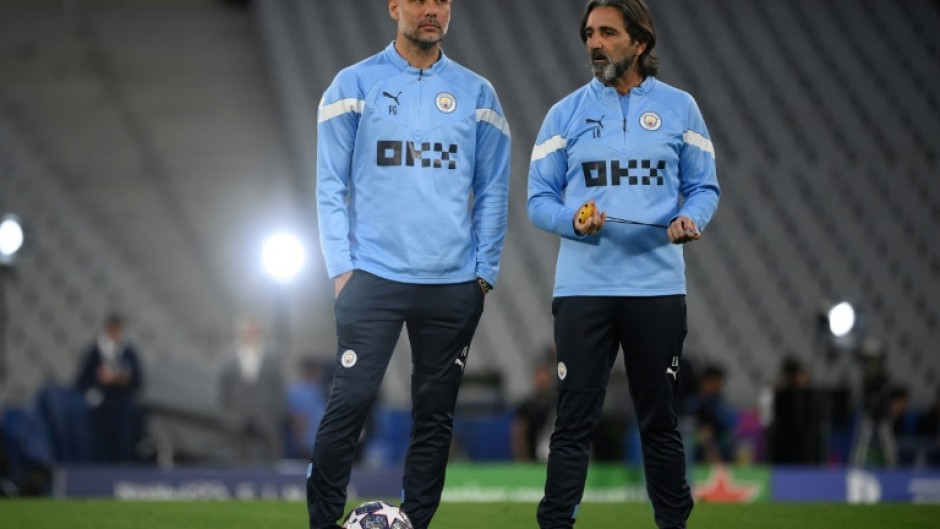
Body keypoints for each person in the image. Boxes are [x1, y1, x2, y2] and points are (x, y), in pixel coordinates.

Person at [309, 0, 511, 526]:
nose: (432, 10)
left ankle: (416, 523)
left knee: (435, 416)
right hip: (372, 277)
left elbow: (492, 189)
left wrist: (483, 274)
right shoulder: (353, 85)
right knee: (348, 405)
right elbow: (329, 185)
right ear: (393, 6)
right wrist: (341, 269)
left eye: (442, 1)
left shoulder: (479, 94)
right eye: (420, 0)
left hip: (452, 285)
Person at [526, 1, 719, 527]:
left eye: (607, 32)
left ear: (640, 42)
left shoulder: (681, 108)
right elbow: (538, 199)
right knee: (572, 421)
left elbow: (704, 186)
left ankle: (673, 524)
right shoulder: (563, 114)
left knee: (660, 421)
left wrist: (690, 217)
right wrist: (574, 221)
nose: (594, 43)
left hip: (656, 287)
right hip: (584, 288)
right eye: (589, 33)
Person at [75, 314, 144, 463]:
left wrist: (121, 379)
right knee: (99, 452)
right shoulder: (96, 352)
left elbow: (138, 380)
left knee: (123, 452)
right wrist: (99, 378)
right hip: (100, 413)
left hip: (123, 411)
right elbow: (81, 382)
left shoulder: (128, 352)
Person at [217, 315, 286, 464]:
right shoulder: (228, 359)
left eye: (253, 331)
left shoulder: (272, 359)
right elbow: (222, 389)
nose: (249, 335)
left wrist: (277, 414)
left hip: (266, 418)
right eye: (246, 331)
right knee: (236, 457)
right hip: (236, 417)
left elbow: (278, 389)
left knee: (268, 458)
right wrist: (226, 413)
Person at [683, 365, 735, 463]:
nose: (719, 385)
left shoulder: (719, 402)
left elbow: (726, 424)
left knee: (727, 440)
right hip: (696, 439)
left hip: (716, 440)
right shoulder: (693, 401)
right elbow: (687, 423)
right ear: (707, 381)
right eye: (716, 381)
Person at [512, 359, 556, 462]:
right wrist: (522, 458)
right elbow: (519, 432)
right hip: (532, 460)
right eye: (538, 376)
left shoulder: (558, 403)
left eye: (544, 376)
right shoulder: (527, 405)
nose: (541, 379)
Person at [286, 357, 328, 460]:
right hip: (304, 446)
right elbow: (297, 420)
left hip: (321, 444)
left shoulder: (320, 389)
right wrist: (300, 442)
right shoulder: (298, 391)